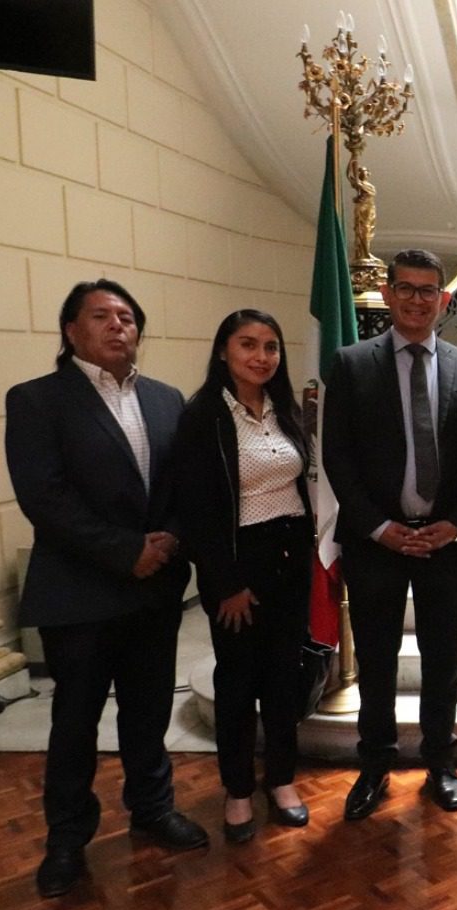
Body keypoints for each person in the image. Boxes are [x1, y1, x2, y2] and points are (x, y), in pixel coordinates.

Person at [6, 280, 207, 898]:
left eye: (127, 316)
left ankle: (152, 808)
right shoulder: (38, 401)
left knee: (148, 710)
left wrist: (168, 541)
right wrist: (127, 553)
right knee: (75, 720)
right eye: (101, 316)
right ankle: (67, 838)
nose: (118, 325)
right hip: (80, 591)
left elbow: (185, 485)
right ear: (71, 332)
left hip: (154, 590)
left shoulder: (167, 399)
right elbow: (45, 498)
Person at [323, 249, 457, 817]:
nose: (417, 299)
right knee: (376, 657)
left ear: (443, 300)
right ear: (390, 294)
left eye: (429, 290)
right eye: (407, 288)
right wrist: (379, 527)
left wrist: (456, 524)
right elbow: (337, 456)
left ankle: (440, 762)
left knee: (442, 657)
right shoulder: (350, 365)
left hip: (444, 542)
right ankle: (374, 765)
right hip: (377, 543)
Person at [173, 310, 312, 843]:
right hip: (238, 566)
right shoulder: (203, 415)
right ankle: (236, 790)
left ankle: (280, 781)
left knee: (283, 680)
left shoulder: (285, 409)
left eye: (270, 347)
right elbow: (196, 510)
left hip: (289, 558)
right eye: (248, 345)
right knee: (236, 685)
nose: (261, 357)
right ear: (224, 351)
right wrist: (226, 583)